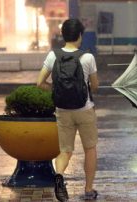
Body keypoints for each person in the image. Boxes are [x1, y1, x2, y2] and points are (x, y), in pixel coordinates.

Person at [37, 18, 99, 202]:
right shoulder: (87, 57)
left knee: (65, 150)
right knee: (90, 149)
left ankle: (59, 175)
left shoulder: (53, 55)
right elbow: (94, 86)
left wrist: (55, 90)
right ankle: (88, 189)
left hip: (62, 110)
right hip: (85, 109)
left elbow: (39, 83)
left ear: (63, 35)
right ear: (80, 35)